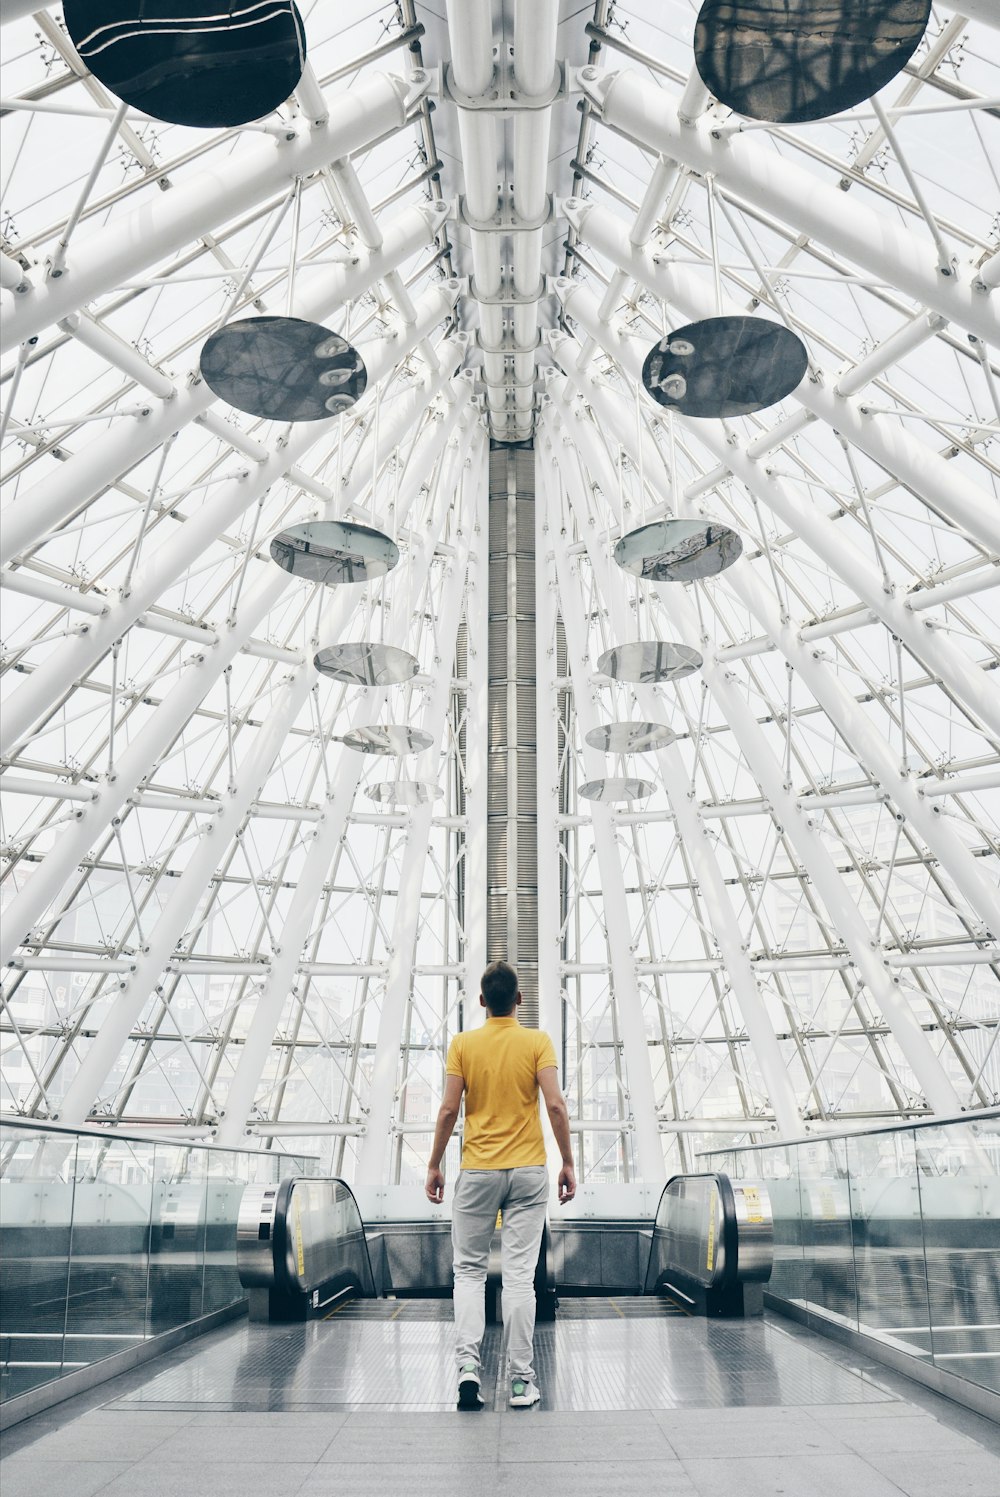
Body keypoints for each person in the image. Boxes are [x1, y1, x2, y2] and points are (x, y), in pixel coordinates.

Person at [425, 960, 576, 1411]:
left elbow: (449, 1112)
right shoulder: (537, 1042)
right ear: (520, 1001)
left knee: (468, 1273)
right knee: (519, 1280)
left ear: (482, 1000)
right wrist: (568, 1162)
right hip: (529, 1172)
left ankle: (469, 1370)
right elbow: (556, 1106)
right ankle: (518, 1382)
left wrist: (433, 1165)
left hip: (477, 1172)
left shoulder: (463, 1045)